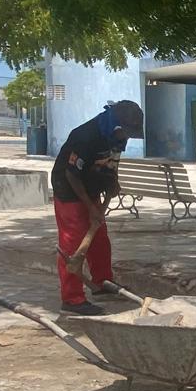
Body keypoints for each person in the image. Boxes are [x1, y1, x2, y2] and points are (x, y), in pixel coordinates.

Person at [51, 100, 144, 315]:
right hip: (69, 188)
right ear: (118, 126)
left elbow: (113, 161)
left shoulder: (117, 135)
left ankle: (103, 283)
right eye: (127, 133)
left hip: (91, 187)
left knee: (100, 238)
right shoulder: (86, 136)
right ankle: (72, 299)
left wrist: (113, 182)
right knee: (73, 244)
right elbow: (71, 174)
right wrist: (90, 208)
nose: (127, 139)